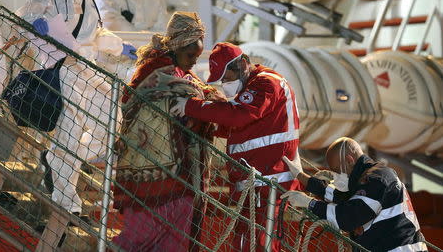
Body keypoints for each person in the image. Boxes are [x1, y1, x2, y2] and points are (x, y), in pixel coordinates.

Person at [16, 0, 134, 217]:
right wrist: (36, 22)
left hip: (88, 67)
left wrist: (120, 46)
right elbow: (28, 14)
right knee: (71, 129)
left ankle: (56, 161)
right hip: (61, 66)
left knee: (111, 116)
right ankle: (67, 202)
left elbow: (97, 34)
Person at [171, 42, 302, 252]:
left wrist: (192, 106)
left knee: (259, 244)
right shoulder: (253, 88)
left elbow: (240, 116)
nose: (224, 84)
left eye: (227, 77)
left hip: (269, 182)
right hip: (256, 182)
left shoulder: (266, 84)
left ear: (242, 65)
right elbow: (240, 128)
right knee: (246, 243)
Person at [113, 11, 223, 251]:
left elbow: (199, 94)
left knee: (176, 240)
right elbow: (185, 95)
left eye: (197, 55)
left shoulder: (183, 73)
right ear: (176, 48)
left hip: (180, 177)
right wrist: (202, 98)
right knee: (140, 237)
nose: (194, 60)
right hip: (153, 176)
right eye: (190, 54)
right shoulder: (155, 70)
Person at [281, 137, 428, 252]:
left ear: (350, 160)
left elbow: (348, 217)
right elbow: (342, 198)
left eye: (337, 170)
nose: (336, 177)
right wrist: (301, 176)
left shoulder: (378, 179)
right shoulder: (370, 178)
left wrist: (309, 203)